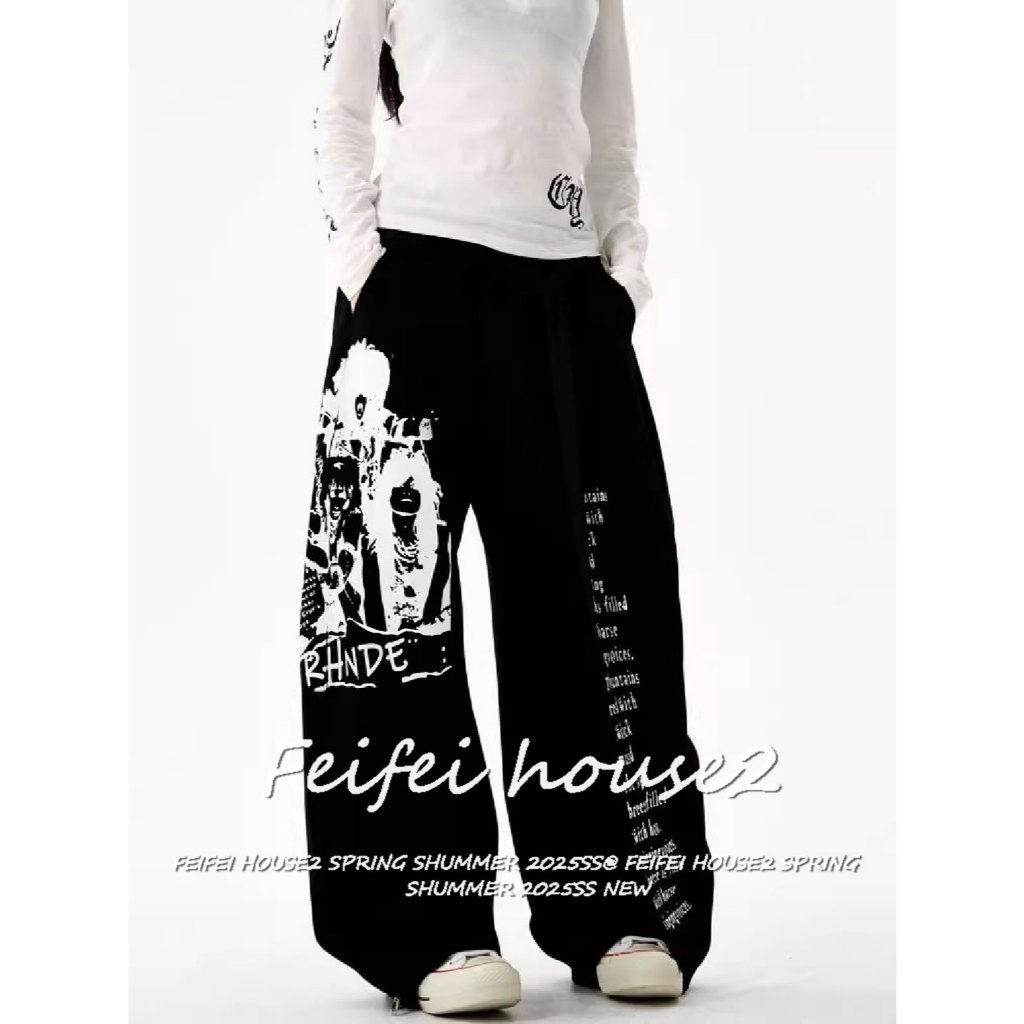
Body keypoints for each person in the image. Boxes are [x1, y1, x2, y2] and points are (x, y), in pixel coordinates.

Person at [299, 0, 713, 1014]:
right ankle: (426, 929)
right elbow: (339, 112)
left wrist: (623, 278)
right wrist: (365, 270)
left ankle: (619, 904)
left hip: (566, 295)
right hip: (412, 284)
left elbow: (610, 133)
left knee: (599, 607)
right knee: (393, 623)